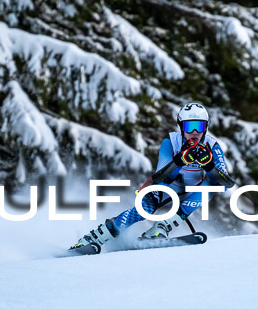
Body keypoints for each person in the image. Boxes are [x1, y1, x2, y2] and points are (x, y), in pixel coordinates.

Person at [71, 102, 235, 250]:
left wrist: (209, 165)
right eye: (189, 126)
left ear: (205, 128)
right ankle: (96, 237)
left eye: (199, 126)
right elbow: (160, 177)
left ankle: (161, 226)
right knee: (143, 211)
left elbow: (225, 183)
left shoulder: (212, 146)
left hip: (191, 190)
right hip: (167, 187)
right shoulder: (171, 142)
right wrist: (180, 160)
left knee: (213, 187)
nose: (194, 132)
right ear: (181, 127)